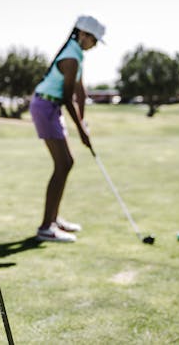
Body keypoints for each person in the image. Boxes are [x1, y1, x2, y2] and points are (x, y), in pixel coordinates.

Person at [30, 15, 106, 242]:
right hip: (46, 105)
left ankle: (52, 219)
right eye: (93, 39)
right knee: (64, 163)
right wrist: (81, 130)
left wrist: (83, 122)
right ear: (82, 34)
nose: (94, 45)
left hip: (50, 106)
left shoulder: (77, 54)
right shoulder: (71, 57)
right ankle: (46, 227)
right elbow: (66, 97)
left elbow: (80, 92)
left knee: (65, 163)